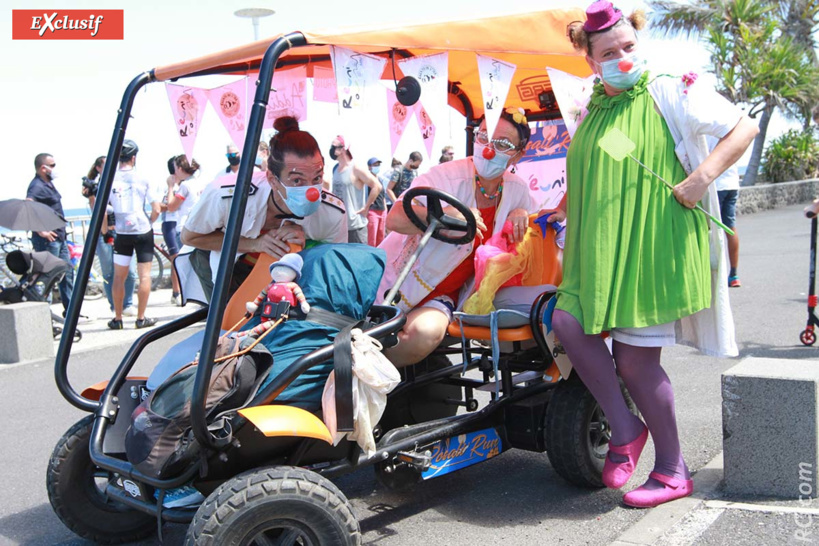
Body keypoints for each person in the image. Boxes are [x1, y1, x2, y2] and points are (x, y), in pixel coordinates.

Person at [552, 0, 758, 509]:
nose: (623, 57)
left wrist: (701, 177)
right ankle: (625, 429)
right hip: (596, 250)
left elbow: (744, 127)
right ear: (590, 59)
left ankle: (672, 471)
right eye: (609, 52)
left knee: (635, 363)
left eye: (628, 46)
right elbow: (600, 168)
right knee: (568, 323)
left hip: (650, 244)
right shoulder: (592, 105)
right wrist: (555, 211)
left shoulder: (670, 86)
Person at [378, 107, 537, 367]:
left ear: (519, 154)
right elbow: (395, 217)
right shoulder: (446, 177)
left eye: (503, 143)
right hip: (398, 280)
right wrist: (445, 215)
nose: (489, 149)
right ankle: (355, 376)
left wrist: (521, 212)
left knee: (424, 334)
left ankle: (374, 379)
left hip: (445, 297)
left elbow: (534, 218)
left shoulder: (517, 190)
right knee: (364, 330)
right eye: (483, 137)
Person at [180, 116, 347, 302]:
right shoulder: (226, 196)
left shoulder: (333, 213)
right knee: (228, 323)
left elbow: (334, 266)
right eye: (297, 180)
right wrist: (255, 244)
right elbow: (189, 237)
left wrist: (306, 246)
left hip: (284, 271)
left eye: (316, 178)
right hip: (220, 263)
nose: (311, 192)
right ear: (272, 180)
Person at [107, 140, 162, 329]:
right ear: (133, 157)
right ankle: (140, 318)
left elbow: (104, 209)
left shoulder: (109, 178)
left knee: (118, 277)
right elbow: (156, 207)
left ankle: (118, 318)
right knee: (144, 276)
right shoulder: (143, 177)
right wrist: (151, 221)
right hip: (142, 229)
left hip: (122, 231)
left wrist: (106, 229)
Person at [81, 155, 138, 316]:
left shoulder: (120, 183)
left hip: (122, 231)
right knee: (108, 272)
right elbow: (97, 212)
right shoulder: (95, 187)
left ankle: (127, 304)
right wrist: (91, 195)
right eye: (106, 165)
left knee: (130, 271)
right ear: (98, 168)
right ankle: (115, 306)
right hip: (102, 234)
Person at [26, 153, 74, 312]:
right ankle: (44, 314)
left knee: (66, 273)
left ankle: (71, 311)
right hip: (48, 240)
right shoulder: (36, 186)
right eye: (52, 165)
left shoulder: (48, 184)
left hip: (60, 237)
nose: (55, 168)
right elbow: (28, 207)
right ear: (43, 168)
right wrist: (41, 231)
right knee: (48, 276)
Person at [162, 155, 202, 305]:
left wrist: (171, 186)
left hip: (183, 227)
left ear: (179, 168)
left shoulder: (185, 186)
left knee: (182, 263)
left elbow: (172, 206)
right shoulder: (198, 183)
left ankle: (183, 295)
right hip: (197, 226)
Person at [329, 136, 381, 244]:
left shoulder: (355, 168)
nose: (331, 149)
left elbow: (377, 186)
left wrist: (366, 207)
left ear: (343, 149)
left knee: (359, 259)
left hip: (355, 227)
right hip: (339, 227)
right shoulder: (335, 169)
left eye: (333, 146)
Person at [713, 150, 741, 287]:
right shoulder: (731, 128)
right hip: (732, 183)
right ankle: (734, 275)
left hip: (715, 185)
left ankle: (714, 274)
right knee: (730, 228)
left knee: (710, 229)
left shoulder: (708, 130)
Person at [160, 156, 183, 304]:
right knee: (175, 259)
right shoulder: (166, 185)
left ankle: (183, 290)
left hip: (183, 223)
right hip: (170, 223)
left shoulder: (186, 185)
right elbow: (160, 205)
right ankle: (176, 292)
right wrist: (173, 203)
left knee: (186, 258)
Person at [366, 157, 388, 246]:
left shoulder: (380, 179)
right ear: (369, 167)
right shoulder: (367, 179)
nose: (377, 167)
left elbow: (383, 196)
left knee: (381, 238)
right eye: (374, 165)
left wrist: (385, 210)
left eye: (378, 165)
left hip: (382, 211)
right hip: (372, 211)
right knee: (372, 238)